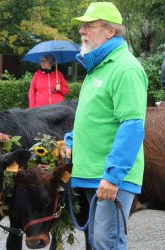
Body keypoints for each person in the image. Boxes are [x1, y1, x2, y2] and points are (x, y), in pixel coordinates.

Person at [61, 2, 148, 249]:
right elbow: (96, 118)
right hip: (92, 174)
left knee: (106, 243)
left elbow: (132, 125)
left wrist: (112, 176)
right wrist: (72, 143)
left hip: (109, 177)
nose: (82, 31)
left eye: (89, 26)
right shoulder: (98, 67)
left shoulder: (125, 68)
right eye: (82, 26)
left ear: (110, 31)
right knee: (98, 242)